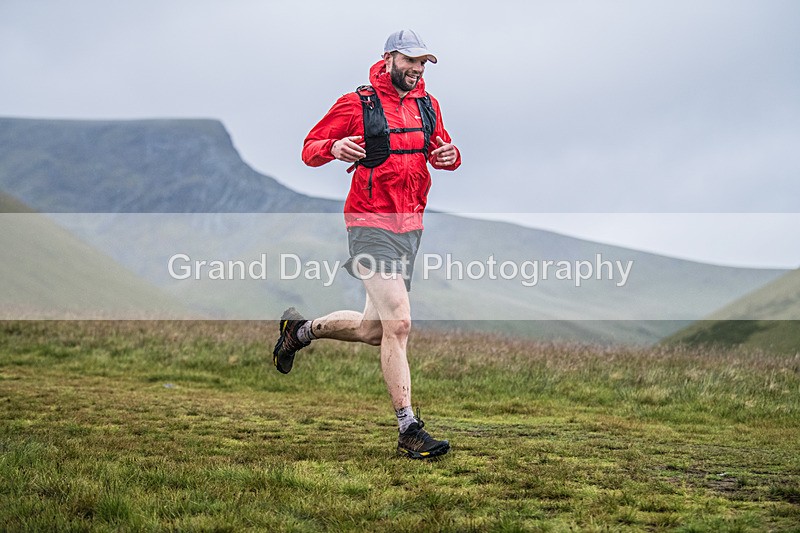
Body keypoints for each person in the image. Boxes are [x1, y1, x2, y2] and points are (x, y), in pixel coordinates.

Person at [274, 29, 461, 460]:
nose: (417, 69)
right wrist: (333, 146)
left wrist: (451, 157)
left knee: (373, 330)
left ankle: (298, 332)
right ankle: (408, 429)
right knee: (400, 323)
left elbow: (442, 150)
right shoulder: (357, 103)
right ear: (389, 57)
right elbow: (309, 149)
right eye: (410, 60)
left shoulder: (429, 106)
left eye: (423, 63)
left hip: (409, 226)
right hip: (368, 223)